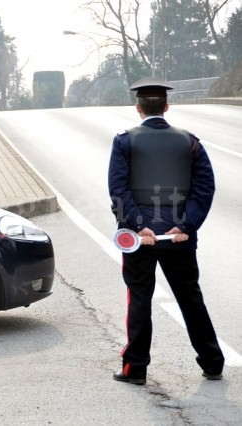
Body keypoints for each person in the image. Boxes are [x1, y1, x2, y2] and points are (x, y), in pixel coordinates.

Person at [108, 77, 225, 385]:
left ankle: (136, 369)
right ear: (166, 107)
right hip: (178, 238)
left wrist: (138, 225)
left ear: (138, 108)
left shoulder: (124, 140)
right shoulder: (190, 141)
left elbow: (118, 190)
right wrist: (187, 225)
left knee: (140, 298)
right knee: (190, 297)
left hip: (140, 239)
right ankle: (213, 363)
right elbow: (205, 188)